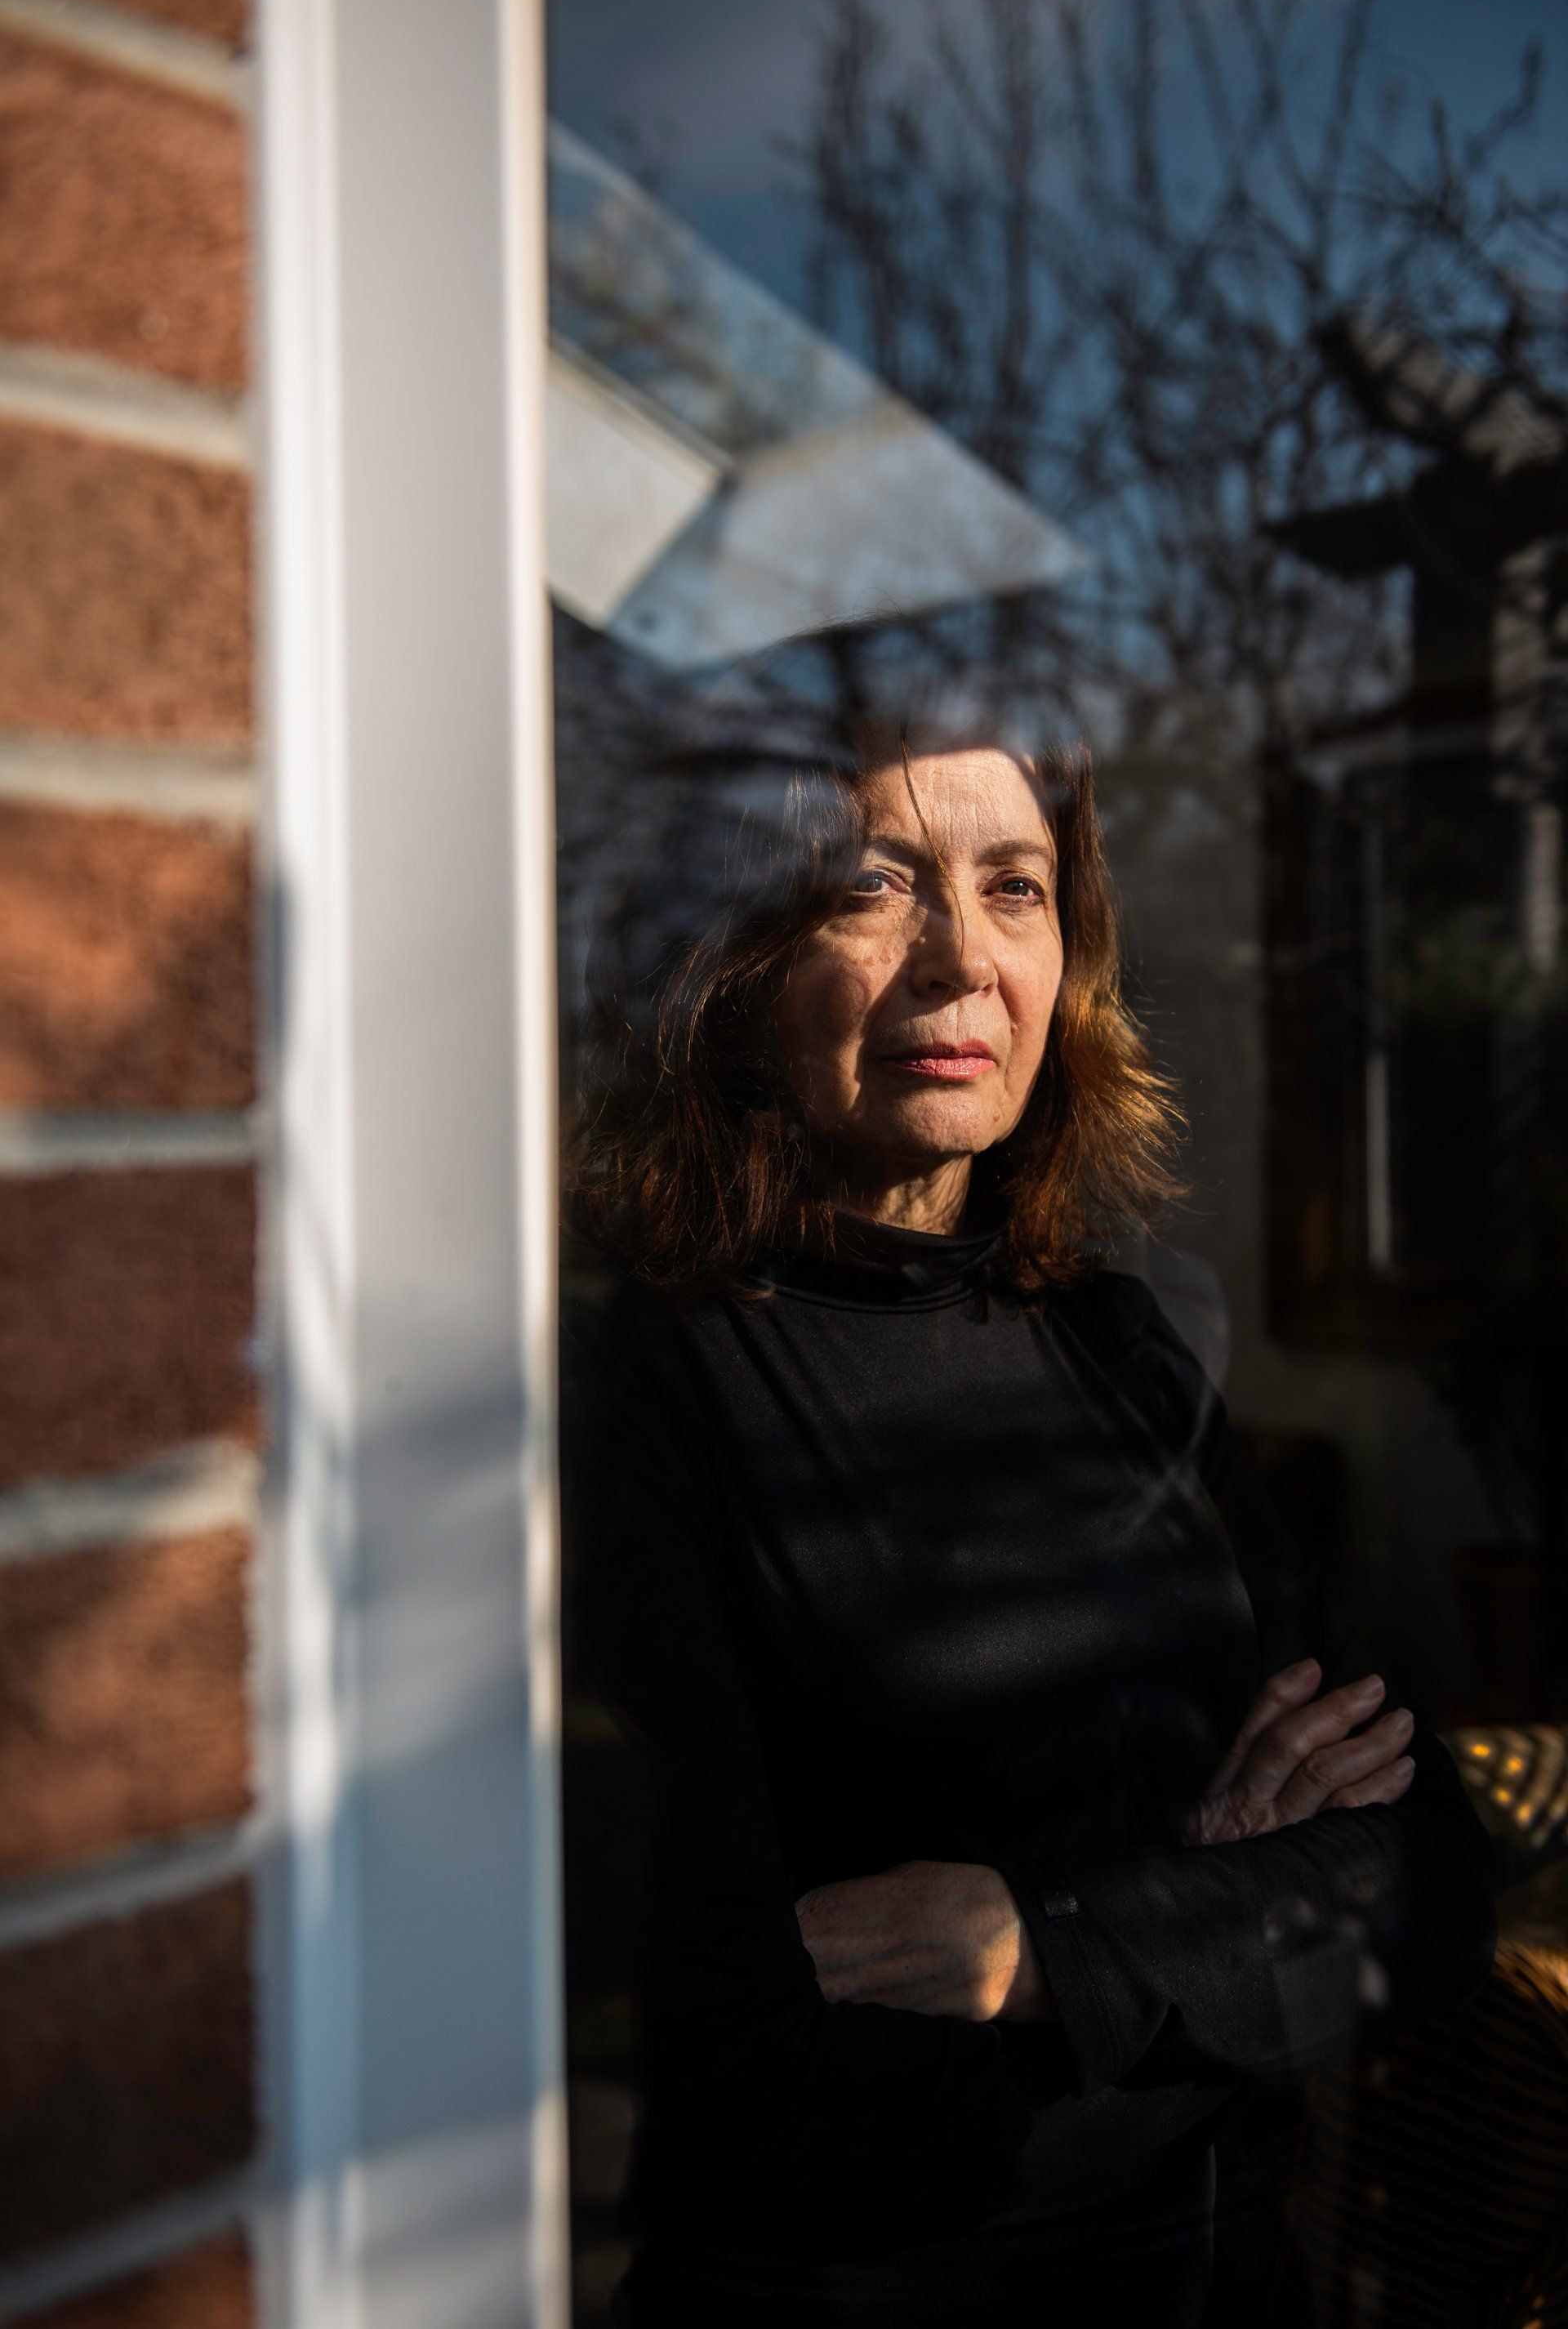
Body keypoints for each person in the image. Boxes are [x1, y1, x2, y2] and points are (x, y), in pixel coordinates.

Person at [560, 690, 1497, 2327]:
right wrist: (1212, 1900)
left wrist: (1045, 1944)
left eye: (1017, 885)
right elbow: (743, 2065)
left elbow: (1423, 1878)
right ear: (734, 963)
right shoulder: (640, 1388)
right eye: (871, 880)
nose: (960, 960)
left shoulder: (1125, 1338)